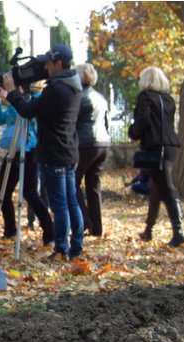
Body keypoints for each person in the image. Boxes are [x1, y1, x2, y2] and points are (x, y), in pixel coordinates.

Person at [1, 44, 84, 261]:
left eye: (48, 62)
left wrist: (11, 93)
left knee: (61, 206)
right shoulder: (73, 86)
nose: (44, 67)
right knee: (72, 202)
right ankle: (75, 247)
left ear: (58, 64)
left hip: (54, 154)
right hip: (68, 152)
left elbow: (28, 111)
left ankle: (61, 249)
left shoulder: (56, 89)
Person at [128, 66, 184, 247]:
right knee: (156, 186)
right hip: (170, 146)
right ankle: (148, 230)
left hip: (155, 147)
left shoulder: (146, 97)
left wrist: (133, 132)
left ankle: (179, 232)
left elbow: (142, 120)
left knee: (166, 187)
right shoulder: (168, 99)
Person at [0, 87, 54, 245]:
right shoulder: (15, 100)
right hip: (13, 149)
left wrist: (12, 99)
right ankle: (10, 230)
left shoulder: (35, 97)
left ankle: (50, 232)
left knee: (30, 193)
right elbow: (0, 119)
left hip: (29, 149)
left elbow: (24, 113)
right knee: (3, 193)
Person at [75, 64, 110, 237]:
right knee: (93, 186)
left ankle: (86, 221)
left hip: (86, 143)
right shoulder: (101, 98)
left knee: (72, 183)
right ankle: (97, 227)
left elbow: (73, 121)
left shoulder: (79, 97)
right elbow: (106, 122)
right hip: (103, 143)